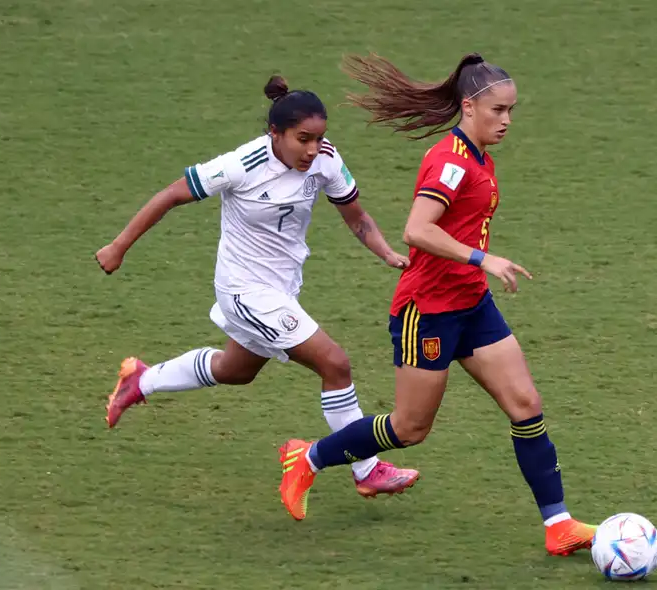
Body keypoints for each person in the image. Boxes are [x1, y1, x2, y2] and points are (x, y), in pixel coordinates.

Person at [277, 53, 599, 556]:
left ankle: (558, 525)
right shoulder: (450, 161)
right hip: (427, 310)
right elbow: (416, 230)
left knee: (526, 406)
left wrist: (477, 270)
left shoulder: (478, 156)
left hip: (471, 305)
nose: (507, 120)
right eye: (498, 110)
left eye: (512, 110)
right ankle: (308, 458)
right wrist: (482, 258)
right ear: (469, 107)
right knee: (409, 428)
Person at [95, 75, 419, 498]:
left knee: (236, 371)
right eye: (302, 139)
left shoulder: (325, 159)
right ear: (275, 134)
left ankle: (140, 380)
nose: (311, 149)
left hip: (282, 289)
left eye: (318, 138)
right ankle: (366, 468)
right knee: (335, 364)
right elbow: (171, 195)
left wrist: (386, 253)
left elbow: (356, 217)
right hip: (244, 292)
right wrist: (118, 246)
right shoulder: (241, 165)